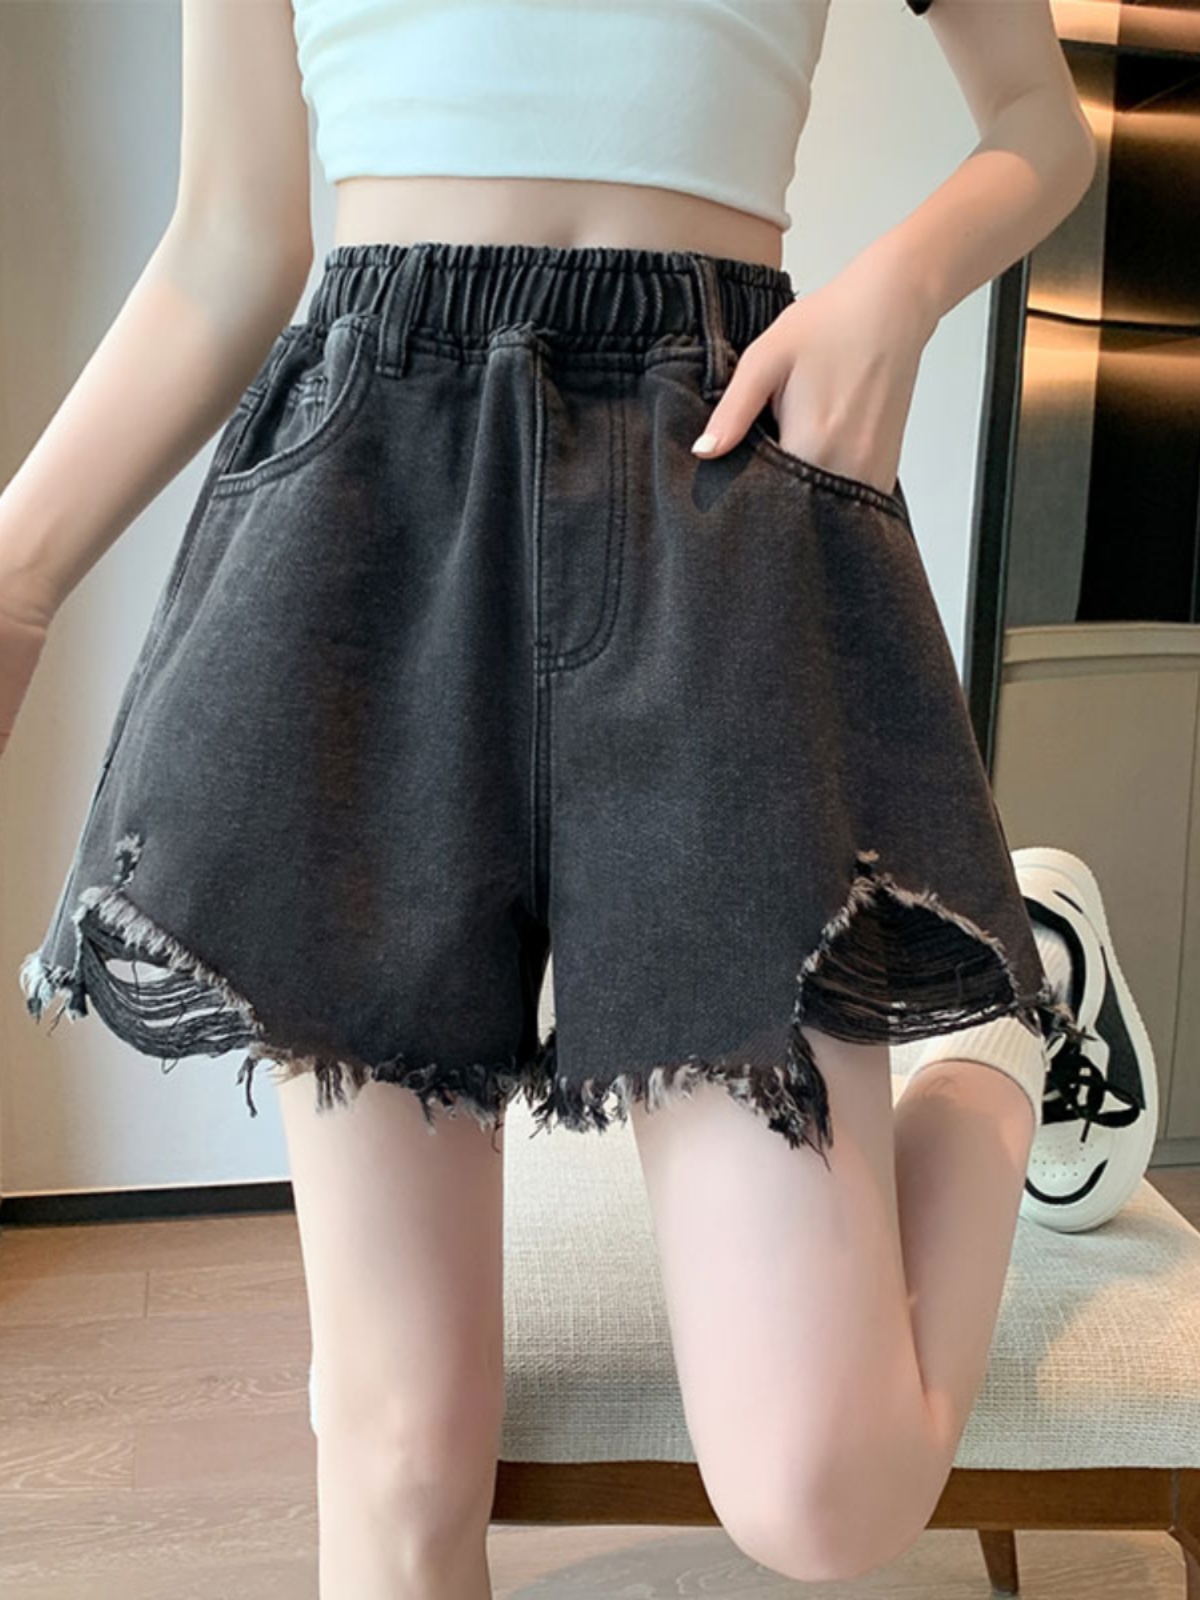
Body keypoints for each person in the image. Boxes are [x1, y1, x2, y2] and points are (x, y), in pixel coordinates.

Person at [0, 0, 1154, 1592]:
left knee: (822, 1487)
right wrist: (16, 580)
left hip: (715, 490)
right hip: (372, 519)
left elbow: (1041, 122)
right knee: (399, 1459)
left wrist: (897, 286)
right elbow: (229, 245)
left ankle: (1023, 1007)